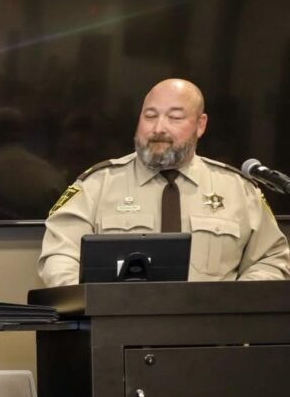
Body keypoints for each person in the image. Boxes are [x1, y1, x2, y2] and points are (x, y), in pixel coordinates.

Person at [39, 78, 290, 286]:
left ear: (200, 125)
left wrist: (231, 306)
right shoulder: (97, 185)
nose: (159, 128)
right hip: (118, 335)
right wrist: (97, 306)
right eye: (150, 116)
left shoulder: (237, 190)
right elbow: (59, 256)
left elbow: (272, 258)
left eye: (175, 117)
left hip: (212, 337)